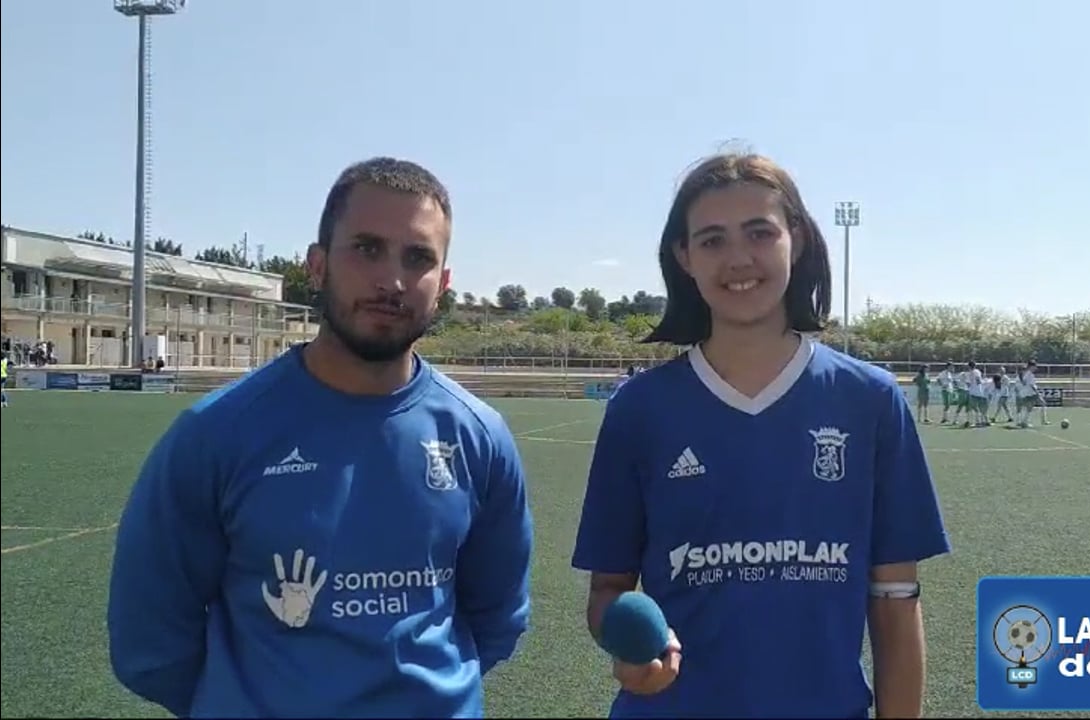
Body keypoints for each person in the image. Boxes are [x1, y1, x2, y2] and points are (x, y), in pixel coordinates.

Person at [107, 157, 534, 718]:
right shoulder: (215, 434)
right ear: (317, 264)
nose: (392, 280)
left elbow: (497, 616)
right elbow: (150, 640)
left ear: (444, 284)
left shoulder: (479, 437)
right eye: (366, 248)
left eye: (419, 257)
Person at [570, 151, 951, 718]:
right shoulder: (639, 409)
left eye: (759, 232)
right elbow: (609, 592)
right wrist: (633, 651)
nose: (738, 259)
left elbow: (895, 598)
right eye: (712, 240)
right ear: (684, 256)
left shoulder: (870, 399)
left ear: (794, 238)